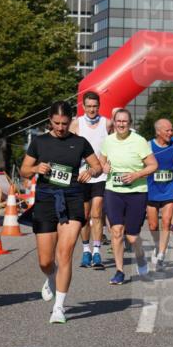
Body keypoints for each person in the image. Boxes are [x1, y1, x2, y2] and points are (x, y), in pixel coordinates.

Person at [21, 101, 103, 324]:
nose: (60, 128)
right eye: (56, 123)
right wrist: (36, 168)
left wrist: (91, 172)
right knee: (45, 261)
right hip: (46, 199)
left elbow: (97, 166)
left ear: (71, 121)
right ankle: (50, 277)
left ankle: (59, 307)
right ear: (49, 120)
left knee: (64, 254)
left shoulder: (79, 142)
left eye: (64, 124)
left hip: (73, 198)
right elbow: (24, 170)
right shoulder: (39, 142)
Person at [99, 109, 158, 285]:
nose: (121, 124)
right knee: (116, 232)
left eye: (125, 121)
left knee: (132, 237)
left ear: (130, 123)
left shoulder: (139, 141)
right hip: (113, 191)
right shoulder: (108, 141)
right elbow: (101, 160)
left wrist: (136, 175)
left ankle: (140, 258)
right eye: (118, 121)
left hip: (136, 193)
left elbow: (153, 165)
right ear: (114, 122)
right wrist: (104, 167)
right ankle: (119, 271)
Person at [70, 91, 111, 270]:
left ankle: (97, 251)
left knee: (97, 213)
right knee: (84, 216)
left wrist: (107, 163)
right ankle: (86, 250)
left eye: (95, 106)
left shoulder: (107, 123)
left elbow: (112, 145)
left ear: (99, 106)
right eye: (89, 106)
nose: (92, 109)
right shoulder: (76, 124)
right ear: (83, 107)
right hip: (82, 175)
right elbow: (69, 147)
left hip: (100, 175)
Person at [146, 118, 173, 272]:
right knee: (153, 225)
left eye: (172, 130)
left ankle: (161, 255)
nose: (171, 133)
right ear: (158, 131)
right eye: (168, 130)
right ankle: (157, 245)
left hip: (169, 189)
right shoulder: (147, 146)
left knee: (166, 222)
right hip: (152, 189)